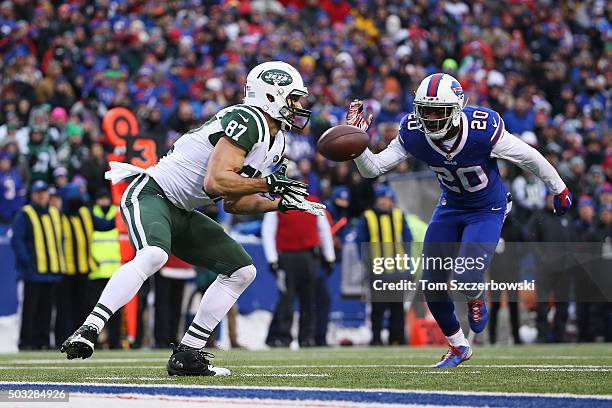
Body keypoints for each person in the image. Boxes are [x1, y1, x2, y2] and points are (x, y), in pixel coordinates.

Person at [61, 61, 325, 377]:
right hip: (152, 193)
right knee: (154, 254)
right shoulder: (248, 119)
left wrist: (278, 204)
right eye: (293, 98)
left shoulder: (277, 141)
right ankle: (89, 329)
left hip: (183, 211)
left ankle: (188, 354)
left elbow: (232, 202)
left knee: (242, 271)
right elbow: (216, 182)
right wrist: (267, 184)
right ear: (271, 95)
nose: (298, 106)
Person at [349, 73, 571, 367]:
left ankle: (476, 294)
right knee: (431, 283)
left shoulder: (481, 128)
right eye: (424, 110)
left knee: (466, 274)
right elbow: (372, 169)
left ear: (456, 109)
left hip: (487, 209)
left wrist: (559, 188)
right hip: (451, 207)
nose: (428, 118)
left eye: (437, 111)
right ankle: (458, 346)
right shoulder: (414, 132)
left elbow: (529, 157)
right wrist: (358, 145)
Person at [262, 196, 335, 347]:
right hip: (287, 257)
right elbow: (268, 232)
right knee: (286, 300)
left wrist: (329, 256)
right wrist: (272, 259)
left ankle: (306, 338)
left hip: (309, 256)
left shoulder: (313, 202)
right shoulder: (278, 203)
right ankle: (283, 337)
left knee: (308, 300)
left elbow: (324, 231)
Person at [355, 185, 412, 345]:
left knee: (397, 308)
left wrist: (407, 262)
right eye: (381, 199)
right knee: (378, 308)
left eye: (387, 199)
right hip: (377, 268)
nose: (384, 202)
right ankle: (376, 339)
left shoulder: (399, 215)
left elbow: (408, 239)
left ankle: (397, 339)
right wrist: (366, 262)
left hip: (397, 269)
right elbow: (360, 241)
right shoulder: (368, 216)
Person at [11, 181, 64, 349]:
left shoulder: (54, 213)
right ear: (33, 195)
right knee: (30, 309)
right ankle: (27, 342)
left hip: (52, 271)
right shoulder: (25, 213)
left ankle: (43, 341)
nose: (42, 196)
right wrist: (27, 262)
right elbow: (17, 240)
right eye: (38, 193)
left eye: (44, 193)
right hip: (33, 271)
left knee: (47, 310)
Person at [88, 190, 122, 349]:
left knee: (114, 311)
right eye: (100, 198)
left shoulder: (117, 214)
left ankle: (115, 342)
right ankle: (92, 341)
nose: (103, 202)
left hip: (114, 272)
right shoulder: (89, 216)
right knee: (94, 310)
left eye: (105, 198)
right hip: (95, 272)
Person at [0, 150, 26, 224]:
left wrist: (19, 207)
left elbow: (21, 192)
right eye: (3, 161)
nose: (6, 163)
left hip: (14, 211)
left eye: (7, 161)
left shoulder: (15, 174)